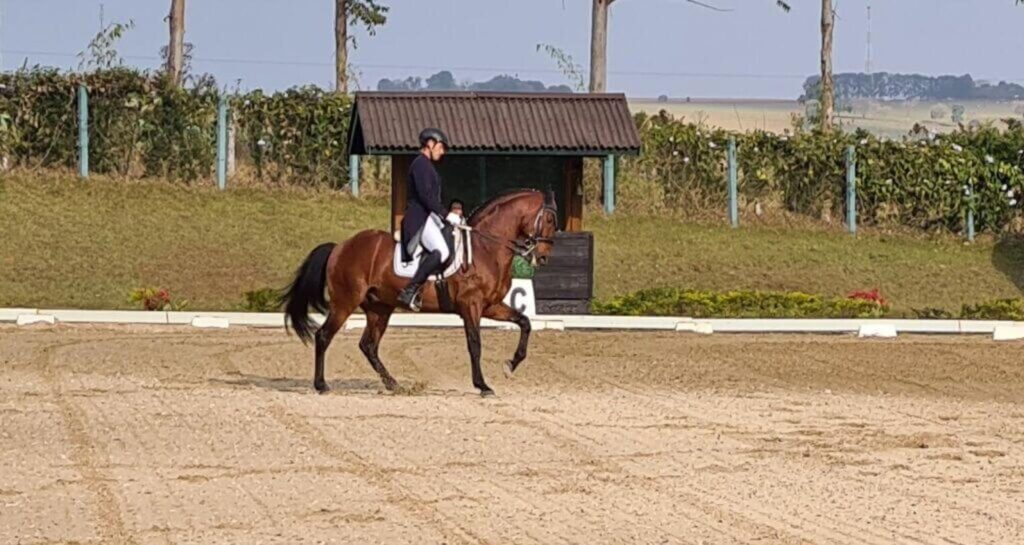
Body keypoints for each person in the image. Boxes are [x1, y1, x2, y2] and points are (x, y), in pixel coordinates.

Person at [397, 128, 458, 311]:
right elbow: (425, 197)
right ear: (430, 144)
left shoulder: (427, 165)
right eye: (440, 147)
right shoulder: (420, 164)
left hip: (429, 216)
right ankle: (410, 290)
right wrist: (446, 214)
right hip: (419, 217)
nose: (443, 151)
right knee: (441, 251)